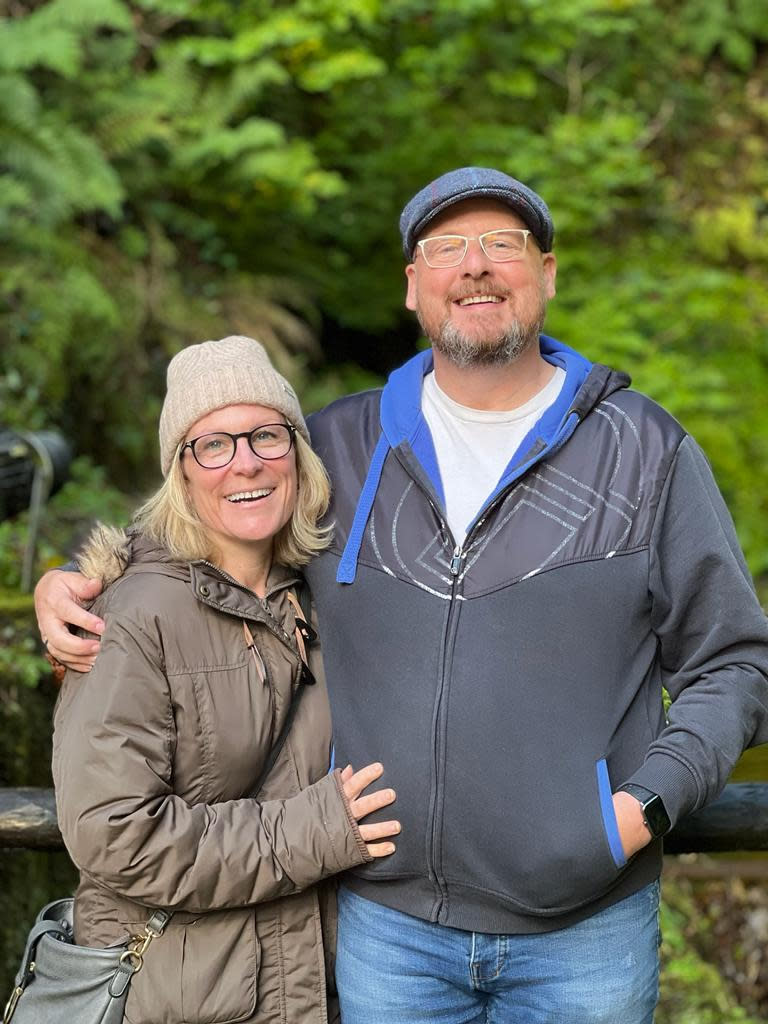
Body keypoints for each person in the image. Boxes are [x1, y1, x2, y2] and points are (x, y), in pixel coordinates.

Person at [37, 168, 768, 1024]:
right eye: (447, 247)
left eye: (504, 244)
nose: (477, 266)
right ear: (413, 286)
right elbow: (222, 510)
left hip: (586, 934)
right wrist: (91, 575)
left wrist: (643, 806)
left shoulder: (644, 451)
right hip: (387, 932)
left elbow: (735, 662)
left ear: (549, 273)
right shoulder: (343, 448)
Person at [50, 335, 400, 1024]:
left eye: (266, 435)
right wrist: (312, 830)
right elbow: (113, 831)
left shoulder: (330, 592)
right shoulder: (132, 615)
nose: (245, 462)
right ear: (180, 472)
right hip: (179, 997)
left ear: (298, 456)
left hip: (315, 988)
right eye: (212, 444)